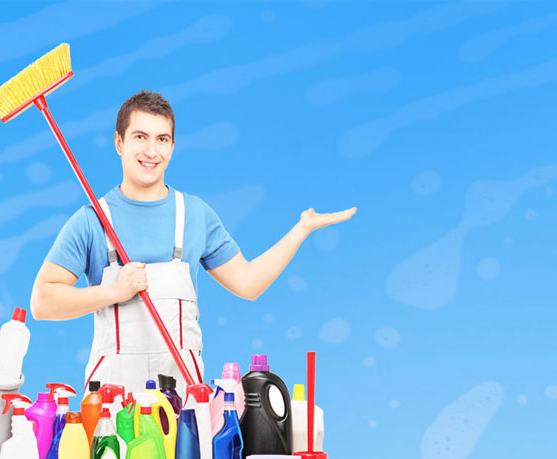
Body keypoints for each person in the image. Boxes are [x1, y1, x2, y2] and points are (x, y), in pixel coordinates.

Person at [30, 90, 355, 394]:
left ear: (172, 146)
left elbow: (249, 284)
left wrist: (301, 229)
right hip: (112, 404)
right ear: (119, 142)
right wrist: (114, 292)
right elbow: (42, 302)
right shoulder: (92, 221)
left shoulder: (194, 215)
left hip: (182, 401)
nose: (151, 151)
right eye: (140, 137)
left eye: (162, 139)